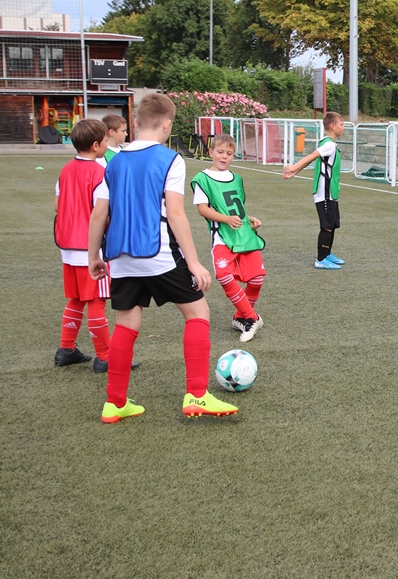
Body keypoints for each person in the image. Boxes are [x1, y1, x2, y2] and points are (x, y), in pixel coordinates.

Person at [88, 93, 238, 423]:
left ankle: (115, 402)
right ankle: (197, 395)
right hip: (157, 252)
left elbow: (99, 214)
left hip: (120, 255)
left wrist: (93, 257)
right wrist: (195, 262)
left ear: (137, 122)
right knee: (198, 310)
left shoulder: (113, 161)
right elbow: (175, 214)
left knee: (127, 323)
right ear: (167, 124)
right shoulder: (171, 159)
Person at [53, 118, 116, 372]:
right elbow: (103, 213)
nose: (106, 145)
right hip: (90, 247)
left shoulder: (66, 169)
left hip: (66, 244)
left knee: (76, 298)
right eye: (104, 141)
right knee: (97, 300)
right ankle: (105, 356)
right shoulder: (99, 173)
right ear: (95, 145)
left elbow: (57, 206)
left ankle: (66, 349)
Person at [191, 134, 266, 343]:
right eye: (220, 152)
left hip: (244, 235)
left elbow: (237, 208)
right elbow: (203, 210)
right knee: (224, 276)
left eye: (229, 153)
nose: (224, 157)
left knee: (257, 279)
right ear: (211, 153)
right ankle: (252, 318)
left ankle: (240, 317)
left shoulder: (237, 179)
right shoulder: (202, 179)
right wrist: (225, 219)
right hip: (223, 238)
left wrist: (248, 218)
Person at [282, 112, 346, 269]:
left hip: (331, 191)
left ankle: (327, 253)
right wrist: (294, 167)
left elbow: (314, 160)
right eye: (341, 124)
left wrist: (295, 172)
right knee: (327, 225)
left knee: (333, 223)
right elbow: (311, 156)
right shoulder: (328, 144)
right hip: (324, 192)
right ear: (332, 126)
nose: (343, 128)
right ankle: (321, 259)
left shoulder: (329, 144)